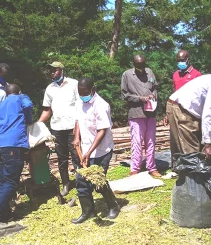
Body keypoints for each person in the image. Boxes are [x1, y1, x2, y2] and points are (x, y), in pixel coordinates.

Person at [0, 84, 33, 229]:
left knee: (1, 180)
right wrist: (28, 120)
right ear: (19, 91)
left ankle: (4, 214)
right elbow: (28, 106)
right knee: (11, 181)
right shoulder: (20, 98)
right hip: (13, 144)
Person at [71, 77, 120, 224]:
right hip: (85, 148)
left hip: (101, 150)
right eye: (79, 92)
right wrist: (76, 137)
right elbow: (78, 120)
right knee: (81, 180)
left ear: (93, 89)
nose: (82, 94)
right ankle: (88, 211)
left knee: (97, 181)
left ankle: (113, 206)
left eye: (84, 92)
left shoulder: (101, 105)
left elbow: (102, 131)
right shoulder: (80, 102)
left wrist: (89, 152)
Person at [38, 61, 81, 196]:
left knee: (76, 156)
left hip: (72, 126)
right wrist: (37, 124)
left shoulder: (74, 84)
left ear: (61, 70)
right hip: (57, 127)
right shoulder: (49, 88)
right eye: (50, 70)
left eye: (55, 70)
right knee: (62, 159)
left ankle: (81, 184)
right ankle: (66, 185)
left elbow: (81, 105)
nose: (52, 72)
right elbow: (47, 109)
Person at [121, 55, 161, 178]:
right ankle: (135, 169)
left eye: (143, 66)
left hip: (150, 112)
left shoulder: (150, 72)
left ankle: (152, 167)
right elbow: (124, 95)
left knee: (151, 142)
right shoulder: (127, 75)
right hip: (136, 113)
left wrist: (153, 95)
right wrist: (140, 98)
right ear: (134, 65)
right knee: (137, 142)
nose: (142, 69)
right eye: (139, 67)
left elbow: (155, 88)